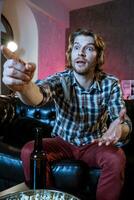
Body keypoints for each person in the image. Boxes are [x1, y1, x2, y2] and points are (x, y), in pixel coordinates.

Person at [2, 28, 132, 200]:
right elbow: (38, 95)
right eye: (77, 47)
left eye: (89, 48)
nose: (81, 53)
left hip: (94, 143)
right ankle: (45, 196)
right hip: (62, 141)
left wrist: (120, 129)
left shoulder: (110, 84)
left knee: (116, 157)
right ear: (71, 54)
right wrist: (24, 87)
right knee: (29, 150)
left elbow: (121, 119)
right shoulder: (61, 79)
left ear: (98, 56)